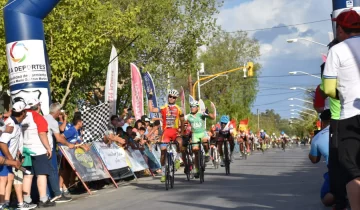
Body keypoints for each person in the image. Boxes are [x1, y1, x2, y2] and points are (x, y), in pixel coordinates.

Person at [323, 9, 360, 210]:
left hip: (349, 117)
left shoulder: (336, 51)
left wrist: (341, 95)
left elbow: (328, 89)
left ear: (340, 29)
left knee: (352, 171)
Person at [0, 101, 36, 210]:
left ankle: (6, 203)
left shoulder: (17, 123)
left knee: (10, 178)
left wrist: (19, 152)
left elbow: (16, 141)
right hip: (4, 155)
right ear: (22, 113)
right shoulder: (11, 124)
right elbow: (2, 143)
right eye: (25, 111)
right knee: (3, 179)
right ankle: (2, 205)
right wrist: (11, 160)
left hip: (10, 156)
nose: (26, 113)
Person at [21, 98, 54, 207]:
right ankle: (43, 199)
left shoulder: (23, 117)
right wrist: (48, 148)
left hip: (25, 150)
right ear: (38, 106)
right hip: (39, 150)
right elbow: (42, 134)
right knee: (42, 174)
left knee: (27, 175)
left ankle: (26, 200)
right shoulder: (38, 117)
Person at [148, 89, 185, 183]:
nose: (171, 98)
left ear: (175, 98)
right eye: (170, 96)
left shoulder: (179, 108)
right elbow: (151, 110)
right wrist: (150, 97)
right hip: (166, 132)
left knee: (180, 142)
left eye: (173, 97)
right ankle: (164, 173)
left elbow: (182, 121)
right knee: (163, 151)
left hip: (175, 131)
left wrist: (182, 132)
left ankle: (177, 159)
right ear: (168, 97)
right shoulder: (163, 107)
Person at [44, 103, 74, 203]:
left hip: (39, 149)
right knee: (52, 171)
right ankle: (57, 194)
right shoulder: (53, 121)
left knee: (42, 174)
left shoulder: (43, 117)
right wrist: (68, 144)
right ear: (57, 112)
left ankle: (45, 196)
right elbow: (59, 138)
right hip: (48, 149)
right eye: (59, 112)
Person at [309, 109, 334, 207]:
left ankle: (341, 194)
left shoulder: (318, 137)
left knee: (325, 198)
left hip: (335, 173)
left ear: (322, 122)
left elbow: (314, 160)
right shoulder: (350, 130)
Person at [184, 101, 215, 178]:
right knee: (195, 151)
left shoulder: (201, 114)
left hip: (202, 133)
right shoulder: (188, 116)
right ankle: (197, 170)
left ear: (197, 107)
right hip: (195, 135)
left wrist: (208, 113)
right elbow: (181, 121)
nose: (192, 108)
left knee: (205, 142)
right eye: (191, 106)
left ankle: (207, 153)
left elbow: (213, 117)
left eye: (194, 106)